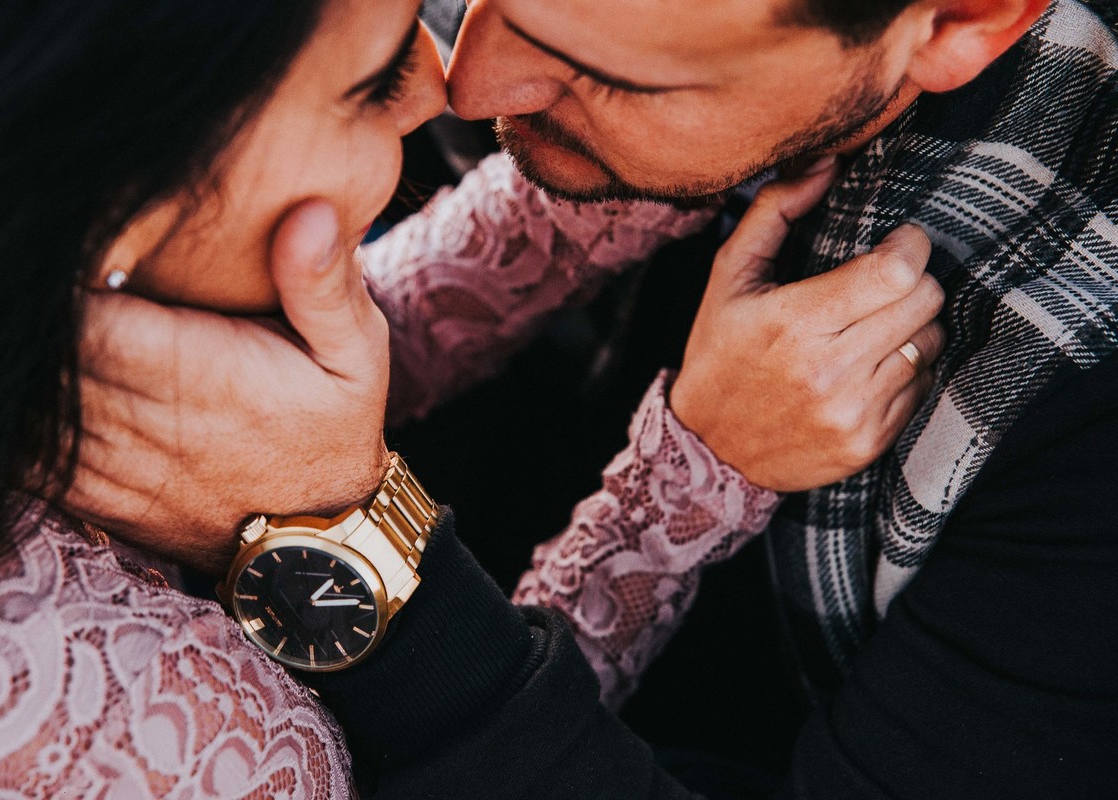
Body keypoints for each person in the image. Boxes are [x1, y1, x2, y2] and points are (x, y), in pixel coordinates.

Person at [55, 0, 1118, 797]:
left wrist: (344, 537)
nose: (460, 82)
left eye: (602, 73)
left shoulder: (1067, 396)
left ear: (963, 19)